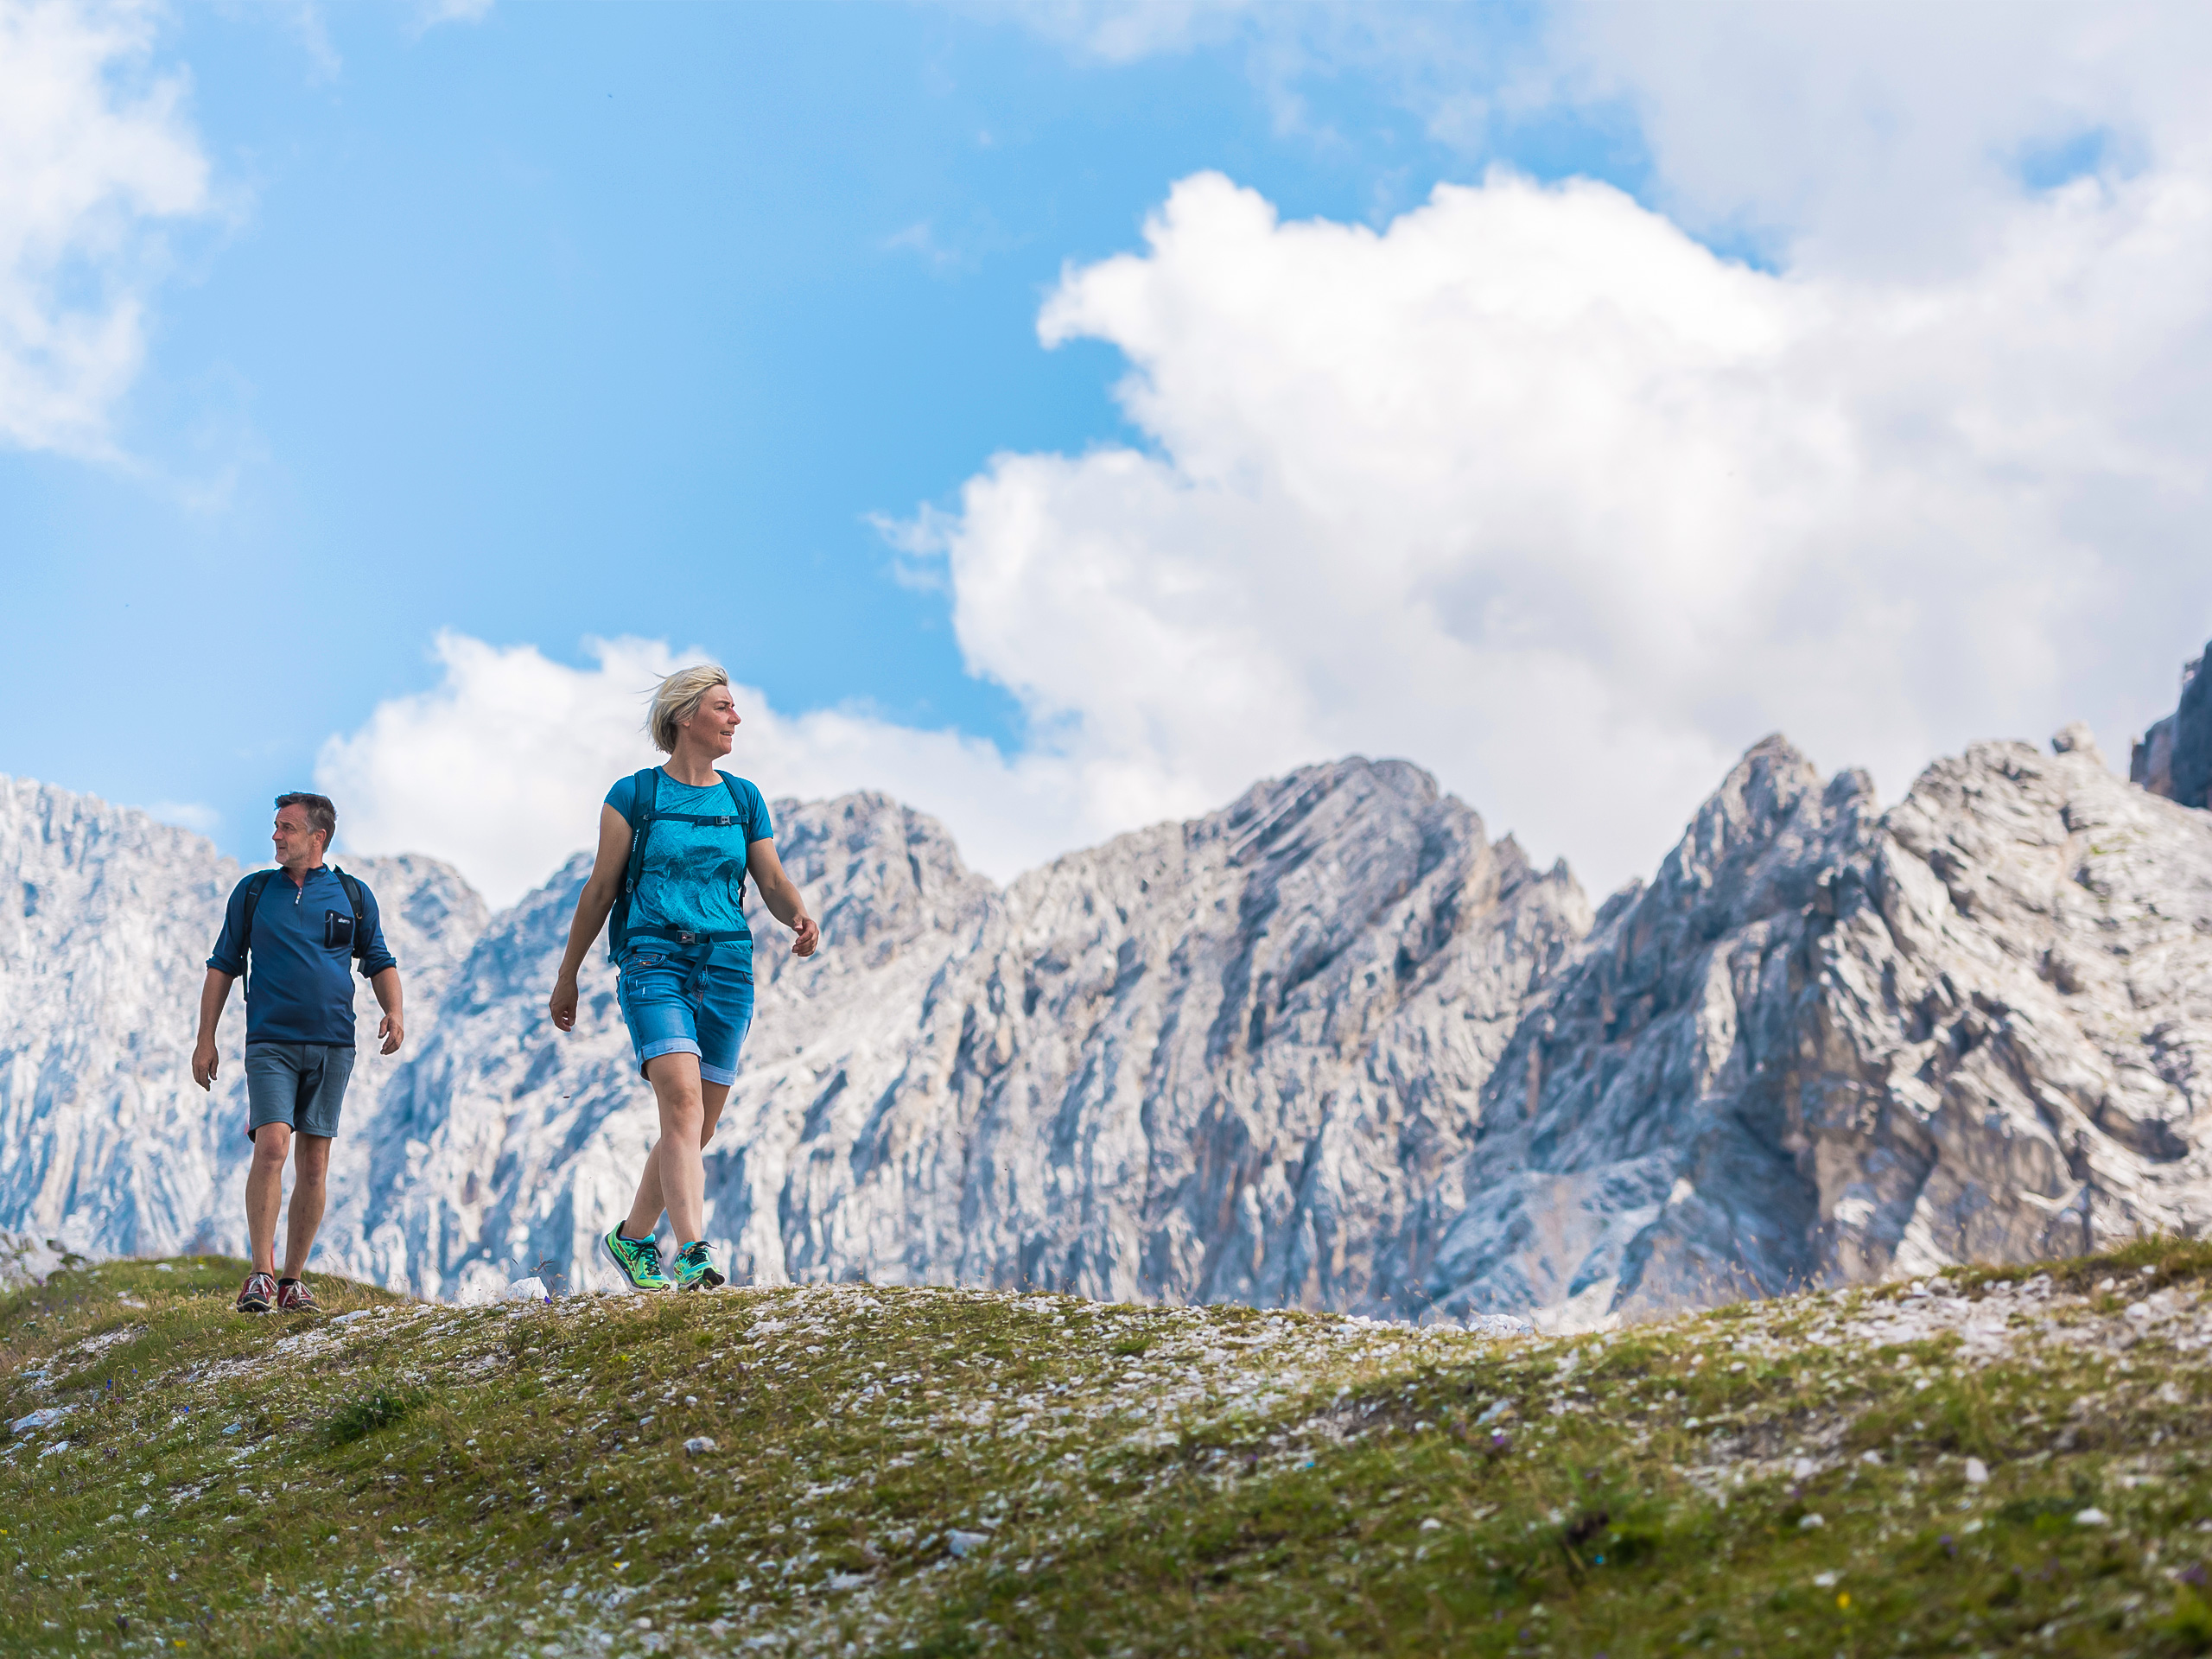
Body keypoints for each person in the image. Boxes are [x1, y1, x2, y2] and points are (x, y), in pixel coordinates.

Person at [549, 664, 817, 1293]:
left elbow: (771, 882)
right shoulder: (634, 796)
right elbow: (600, 891)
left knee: (698, 1126)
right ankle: (692, 1250)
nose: (736, 718)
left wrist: (798, 917)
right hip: (652, 961)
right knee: (683, 1102)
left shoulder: (743, 798)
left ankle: (632, 1238)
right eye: (724, 707)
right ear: (684, 717)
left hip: (728, 967)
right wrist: (569, 976)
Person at [193, 792, 404, 1314]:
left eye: (285, 828)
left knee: (315, 1164)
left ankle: (292, 1281)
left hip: (335, 1045)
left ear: (317, 837)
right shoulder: (253, 893)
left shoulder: (353, 895)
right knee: (271, 1148)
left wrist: (395, 1012)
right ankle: (260, 1276)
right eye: (276, 827)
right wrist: (205, 1038)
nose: (275, 837)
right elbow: (223, 964)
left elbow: (378, 958)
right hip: (270, 1044)